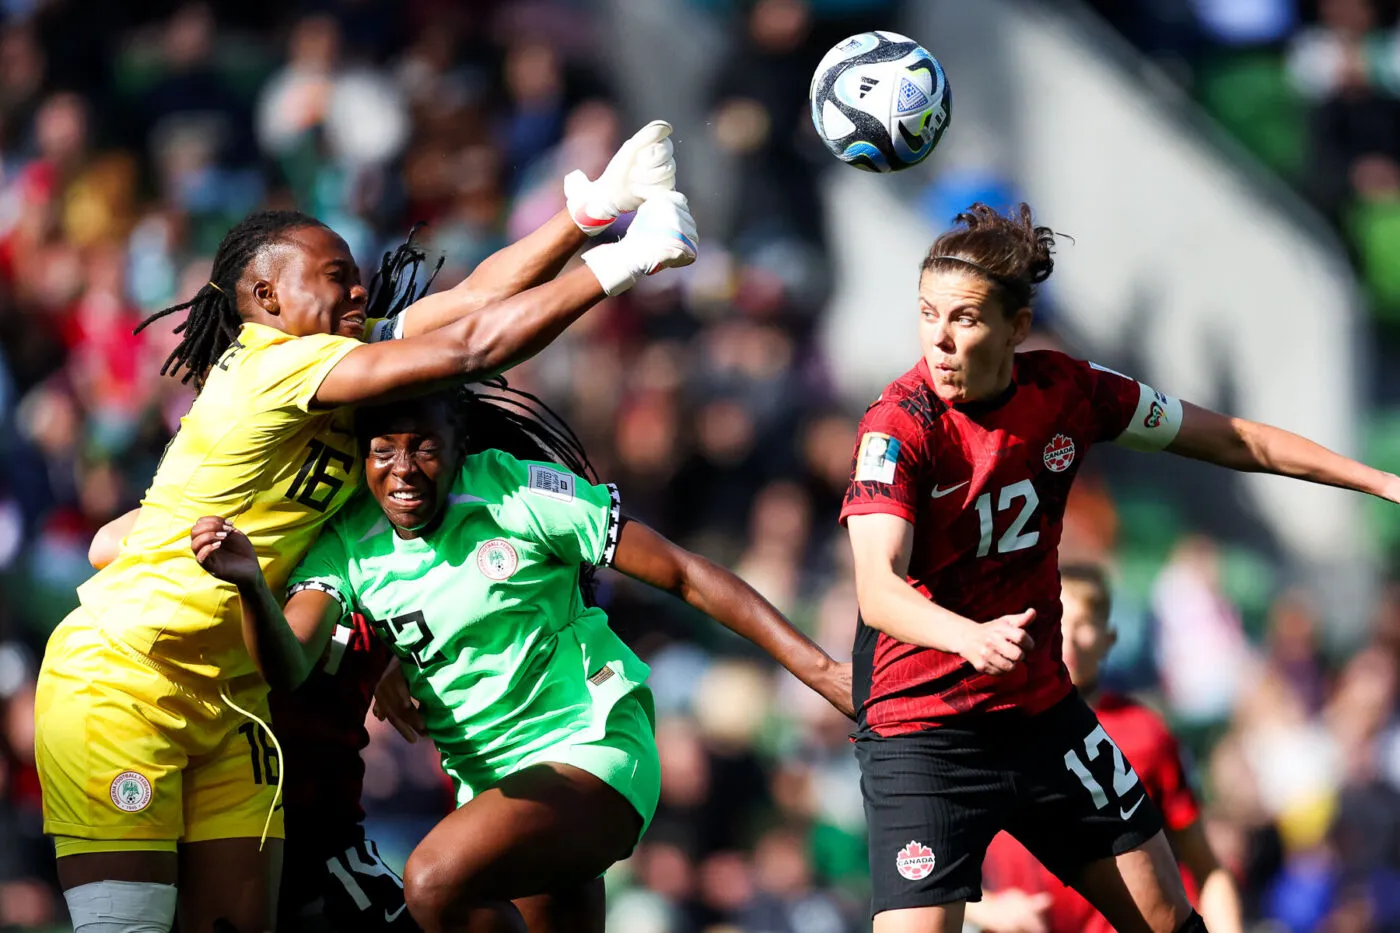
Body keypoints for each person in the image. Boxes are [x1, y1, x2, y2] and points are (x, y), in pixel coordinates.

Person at [36, 119, 694, 933]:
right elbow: (471, 349)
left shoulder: (334, 377)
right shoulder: (278, 365)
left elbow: (466, 304)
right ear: (269, 300)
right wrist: (624, 261)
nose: (359, 294)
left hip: (233, 703)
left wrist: (589, 214)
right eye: (336, 277)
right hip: (126, 688)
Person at [840, 202, 1400, 933]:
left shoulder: (1069, 392)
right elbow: (877, 588)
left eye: (966, 319)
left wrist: (1381, 482)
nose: (939, 341)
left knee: (1169, 920)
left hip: (1040, 712)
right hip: (925, 729)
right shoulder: (899, 424)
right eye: (927, 314)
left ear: (1017, 326)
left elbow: (1233, 440)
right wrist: (966, 638)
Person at [188, 381, 855, 933]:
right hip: (495, 787)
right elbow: (290, 661)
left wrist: (823, 671)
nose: (402, 469)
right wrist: (251, 584)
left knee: (430, 880)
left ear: (459, 448)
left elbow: (682, 572)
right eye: (382, 450)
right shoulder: (347, 545)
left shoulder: (515, 493)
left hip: (590, 748)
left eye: (423, 446)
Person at [970, 564, 1244, 933]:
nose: (1068, 638)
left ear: (1108, 638)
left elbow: (1207, 869)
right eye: (1057, 620)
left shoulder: (1146, 735)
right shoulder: (989, 729)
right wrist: (988, 910)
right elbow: (921, 858)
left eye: (1083, 623)